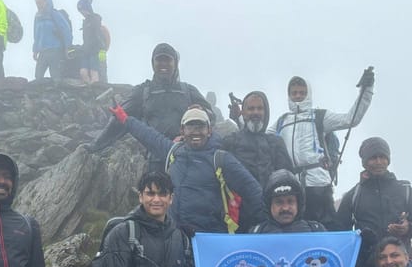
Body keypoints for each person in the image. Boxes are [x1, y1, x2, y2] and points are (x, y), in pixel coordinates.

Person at [109, 104, 264, 234]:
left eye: (200, 126)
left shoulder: (222, 159)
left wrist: (265, 227)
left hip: (209, 239)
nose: (195, 131)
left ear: (209, 130)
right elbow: (149, 136)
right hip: (174, 236)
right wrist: (125, 118)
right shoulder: (174, 151)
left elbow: (254, 192)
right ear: (182, 131)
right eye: (190, 126)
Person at [271, 71, 374, 228]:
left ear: (309, 94)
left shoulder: (320, 116)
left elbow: (350, 119)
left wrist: (366, 90)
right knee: (296, 229)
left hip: (318, 183)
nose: (298, 96)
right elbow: (261, 136)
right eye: (294, 93)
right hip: (292, 184)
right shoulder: (281, 121)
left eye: (302, 92)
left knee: (325, 227)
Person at [89, 42, 213, 171]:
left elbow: (210, 115)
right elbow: (121, 120)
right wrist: (95, 145)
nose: (163, 63)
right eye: (159, 59)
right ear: (152, 63)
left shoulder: (188, 91)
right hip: (155, 160)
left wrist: (201, 111)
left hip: (187, 157)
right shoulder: (142, 91)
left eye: (168, 59)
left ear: (175, 63)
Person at [336, 137, 412, 267]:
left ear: (388, 159)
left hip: (401, 265)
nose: (379, 161)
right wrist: (360, 239)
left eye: (383, 157)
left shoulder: (404, 189)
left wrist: (408, 228)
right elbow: (339, 231)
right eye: (373, 158)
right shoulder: (354, 195)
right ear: (364, 162)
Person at [221, 91, 294, 189]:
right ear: (243, 113)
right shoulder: (230, 142)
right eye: (251, 109)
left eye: (259, 108)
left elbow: (288, 181)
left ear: (265, 112)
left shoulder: (276, 143)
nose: (255, 112)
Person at [32, 0, 72, 80]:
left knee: (55, 75)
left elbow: (66, 30)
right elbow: (36, 34)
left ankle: (57, 93)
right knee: (38, 75)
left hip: (55, 50)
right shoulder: (37, 17)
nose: (38, 5)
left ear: (46, 1)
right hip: (43, 51)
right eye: (36, 3)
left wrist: (68, 47)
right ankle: (39, 93)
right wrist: (35, 50)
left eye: (40, 2)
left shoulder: (54, 14)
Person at [76, 0, 103, 84]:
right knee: (83, 72)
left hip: (95, 50)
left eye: (82, 10)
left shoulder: (95, 19)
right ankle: (89, 88)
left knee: (94, 72)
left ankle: (95, 89)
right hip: (86, 50)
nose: (82, 13)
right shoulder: (85, 22)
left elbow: (98, 35)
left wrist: (101, 50)